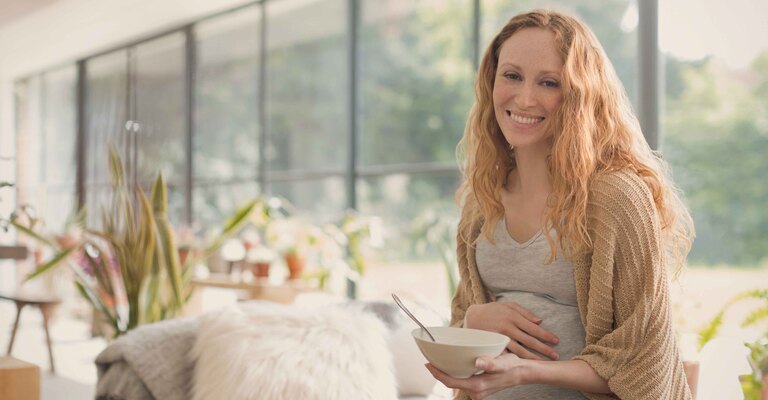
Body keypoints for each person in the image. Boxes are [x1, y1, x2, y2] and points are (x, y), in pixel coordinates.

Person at [425, 9, 695, 400]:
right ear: (491, 81)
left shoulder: (617, 197)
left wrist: (525, 371)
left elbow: (643, 360)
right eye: (512, 75)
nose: (525, 98)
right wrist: (471, 321)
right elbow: (463, 328)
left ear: (580, 94)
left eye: (549, 82)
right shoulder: (481, 198)